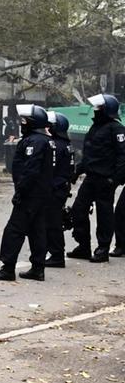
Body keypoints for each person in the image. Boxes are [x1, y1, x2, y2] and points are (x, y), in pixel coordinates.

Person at [0, 104, 54, 282]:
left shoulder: (36, 142)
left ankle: (8, 268)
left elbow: (30, 170)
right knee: (37, 230)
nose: (22, 124)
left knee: (14, 230)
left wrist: (21, 191)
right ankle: (38, 268)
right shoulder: (44, 140)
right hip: (41, 194)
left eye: (25, 121)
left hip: (30, 195)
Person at [69, 93, 125, 263]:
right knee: (78, 210)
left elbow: (123, 157)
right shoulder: (96, 127)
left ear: (106, 109)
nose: (95, 110)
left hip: (105, 179)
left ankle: (103, 248)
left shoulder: (117, 129)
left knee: (104, 214)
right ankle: (83, 246)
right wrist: (78, 171)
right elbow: (89, 154)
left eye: (99, 108)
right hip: (91, 177)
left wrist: (114, 180)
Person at [44, 111, 75, 268]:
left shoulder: (56, 145)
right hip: (61, 188)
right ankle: (55, 253)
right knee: (53, 221)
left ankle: (56, 255)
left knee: (53, 222)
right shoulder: (66, 144)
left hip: (55, 189)